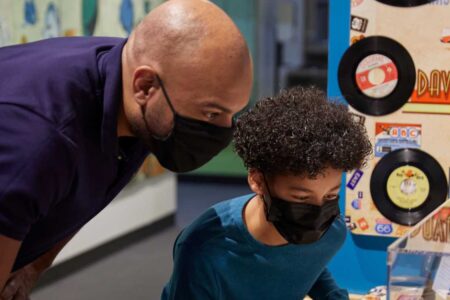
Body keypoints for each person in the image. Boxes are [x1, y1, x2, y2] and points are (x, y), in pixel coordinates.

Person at [0, 0, 253, 298]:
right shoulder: (38, 142)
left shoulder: (136, 94)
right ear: (145, 86)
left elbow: (85, 194)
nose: (223, 130)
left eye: (232, 114)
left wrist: (33, 267)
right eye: (211, 113)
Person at [162, 86, 372, 300]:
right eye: (301, 198)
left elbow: (305, 267)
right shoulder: (205, 249)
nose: (318, 213)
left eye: (330, 196)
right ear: (257, 180)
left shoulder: (331, 232)